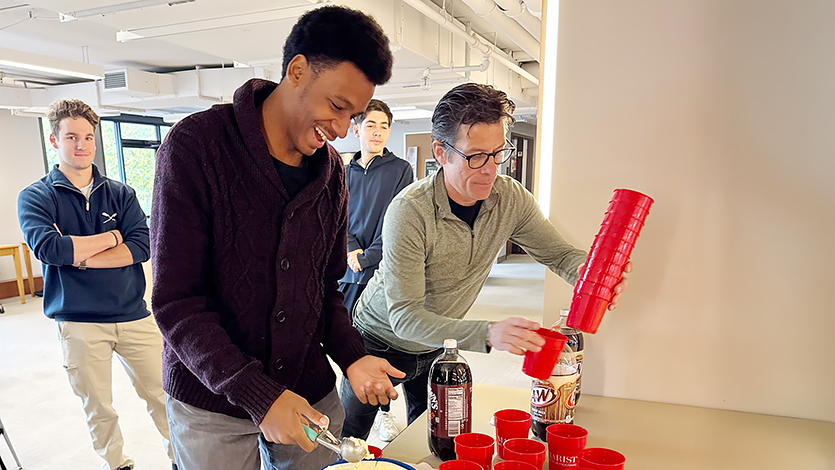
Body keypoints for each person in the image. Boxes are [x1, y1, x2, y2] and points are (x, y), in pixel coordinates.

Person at [149, 6, 405, 470]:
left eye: (356, 114)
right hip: (212, 400)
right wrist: (261, 397)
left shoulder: (331, 174)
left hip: (309, 392)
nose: (343, 130)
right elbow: (175, 302)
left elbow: (322, 290)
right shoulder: (197, 147)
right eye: (337, 106)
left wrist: (352, 357)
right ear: (297, 70)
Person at [340, 83, 632, 440]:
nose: (490, 170)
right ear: (441, 152)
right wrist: (488, 332)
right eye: (476, 156)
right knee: (349, 437)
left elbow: (559, 255)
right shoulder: (410, 210)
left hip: (438, 341)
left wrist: (596, 276)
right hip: (378, 339)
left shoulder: (509, 199)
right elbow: (405, 316)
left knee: (430, 435)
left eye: (498, 153)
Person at [17, 99, 175, 470]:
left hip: (134, 314)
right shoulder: (37, 196)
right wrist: (112, 237)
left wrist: (80, 254)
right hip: (79, 321)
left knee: (163, 395)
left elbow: (142, 245)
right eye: (71, 137)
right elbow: (50, 249)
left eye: (88, 136)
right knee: (99, 407)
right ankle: (118, 464)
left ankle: (181, 459)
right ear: (54, 141)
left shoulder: (120, 193)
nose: (82, 145)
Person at [339, 99, 414, 441]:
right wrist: (351, 248)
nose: (378, 132)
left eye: (384, 126)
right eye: (371, 125)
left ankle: (382, 413)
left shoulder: (400, 170)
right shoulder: (342, 172)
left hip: (382, 269)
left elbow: (399, 223)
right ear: (356, 130)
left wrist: (368, 256)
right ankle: (347, 409)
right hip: (348, 270)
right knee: (347, 341)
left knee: (378, 345)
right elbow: (338, 218)